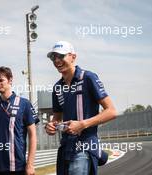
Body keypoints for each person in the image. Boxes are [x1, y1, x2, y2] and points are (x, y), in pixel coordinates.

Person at [45, 41, 117, 175]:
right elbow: (57, 118)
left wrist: (82, 124)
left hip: (84, 146)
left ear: (73, 57)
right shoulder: (57, 87)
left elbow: (112, 111)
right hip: (66, 147)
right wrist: (50, 126)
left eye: (61, 56)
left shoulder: (88, 77)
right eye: (53, 57)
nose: (56, 60)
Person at [0, 66, 38, 175]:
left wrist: (30, 164)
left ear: (10, 80)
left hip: (17, 167)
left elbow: (32, 135)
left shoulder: (24, 104)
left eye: (1, 80)